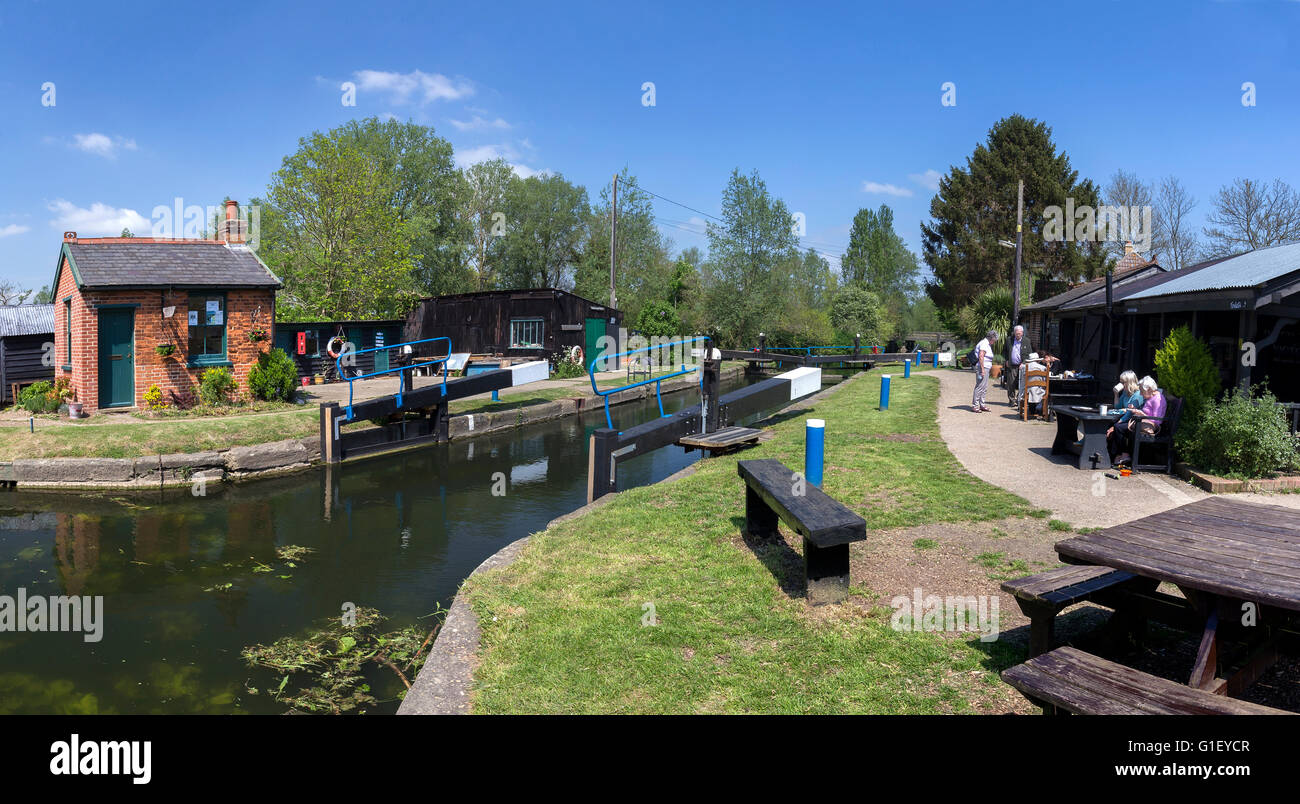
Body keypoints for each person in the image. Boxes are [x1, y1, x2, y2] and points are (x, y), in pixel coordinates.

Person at [1111, 375, 1166, 466]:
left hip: (1150, 426)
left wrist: (1142, 414)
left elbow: (1157, 421)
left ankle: (1123, 454)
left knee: (1118, 427)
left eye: (1141, 391)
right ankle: (1123, 454)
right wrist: (1135, 410)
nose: (1140, 394)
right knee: (1118, 427)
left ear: (1148, 389)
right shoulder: (1150, 397)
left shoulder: (1158, 399)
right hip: (1142, 423)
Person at [1106, 371, 1143, 461]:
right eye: (1120, 382)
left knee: (1117, 427)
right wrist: (1116, 394)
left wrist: (1118, 422)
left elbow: (1130, 413)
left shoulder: (1138, 395)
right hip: (1125, 418)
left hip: (1134, 420)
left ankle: (1120, 454)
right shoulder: (1125, 393)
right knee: (1109, 424)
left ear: (1129, 382)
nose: (1121, 384)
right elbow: (1117, 407)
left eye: (1123, 382)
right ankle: (1113, 454)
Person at [972, 329, 998, 412]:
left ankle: (982, 404)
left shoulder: (987, 343)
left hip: (986, 367)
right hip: (982, 367)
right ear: (991, 338)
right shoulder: (984, 343)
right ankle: (975, 406)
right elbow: (981, 356)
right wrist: (982, 369)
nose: (994, 342)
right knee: (980, 386)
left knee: (984, 387)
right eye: (994, 340)